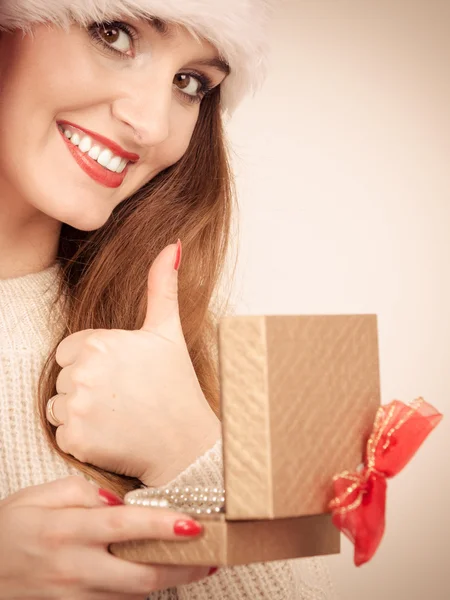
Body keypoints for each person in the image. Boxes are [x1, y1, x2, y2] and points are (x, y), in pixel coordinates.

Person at [0, 0, 336, 598]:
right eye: (114, 34)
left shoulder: (221, 352)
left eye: (190, 83)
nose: (152, 124)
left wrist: (192, 452)